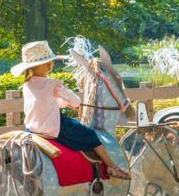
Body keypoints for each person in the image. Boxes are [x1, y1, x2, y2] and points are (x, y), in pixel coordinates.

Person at [11, 41, 130, 180]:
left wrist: (64, 104)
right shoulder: (53, 84)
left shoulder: (27, 84)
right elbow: (76, 101)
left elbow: (44, 103)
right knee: (91, 135)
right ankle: (111, 166)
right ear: (47, 65)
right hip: (53, 127)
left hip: (32, 128)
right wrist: (71, 102)